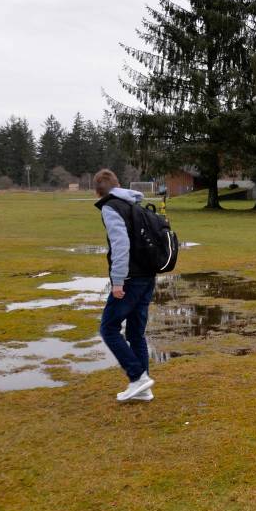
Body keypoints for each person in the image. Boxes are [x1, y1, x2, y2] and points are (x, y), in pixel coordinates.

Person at [94, 168, 156, 402]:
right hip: (148, 275)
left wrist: (118, 281)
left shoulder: (111, 207)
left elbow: (121, 245)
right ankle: (143, 389)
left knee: (108, 328)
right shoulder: (134, 204)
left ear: (98, 192)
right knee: (135, 333)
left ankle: (137, 377)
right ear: (118, 185)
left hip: (131, 278)